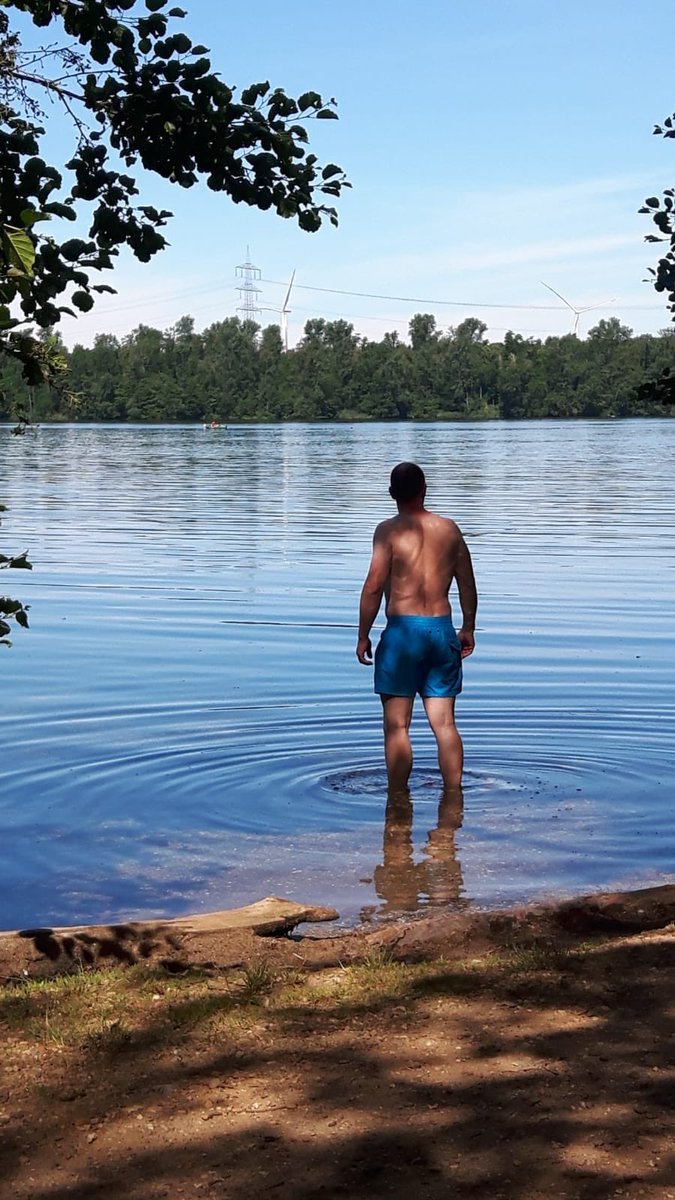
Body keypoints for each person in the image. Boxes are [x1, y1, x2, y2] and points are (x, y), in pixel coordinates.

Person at [356, 462, 477, 794]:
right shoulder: (449, 529)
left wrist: (363, 634)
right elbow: (467, 583)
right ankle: (454, 798)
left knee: (397, 727)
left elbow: (373, 586)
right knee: (445, 724)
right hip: (441, 632)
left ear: (391, 493)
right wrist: (468, 626)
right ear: (425, 490)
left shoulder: (388, 532)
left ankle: (397, 802)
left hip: (402, 635)